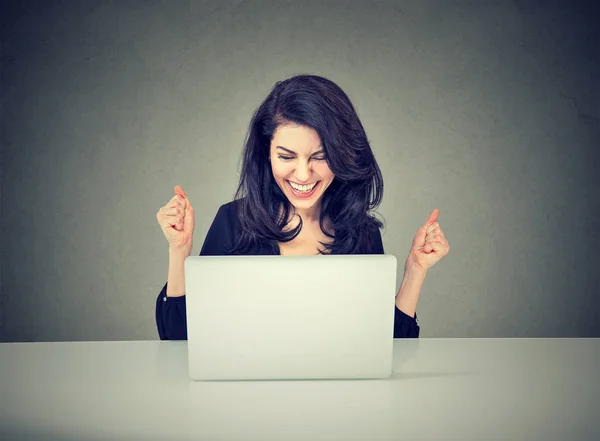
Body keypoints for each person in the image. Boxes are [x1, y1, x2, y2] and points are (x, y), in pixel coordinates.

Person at [155, 74, 450, 340]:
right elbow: (178, 340)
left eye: (319, 157)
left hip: (337, 397)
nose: (303, 174)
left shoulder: (361, 231)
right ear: (267, 155)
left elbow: (388, 346)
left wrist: (414, 270)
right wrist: (179, 252)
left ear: (343, 155)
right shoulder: (233, 222)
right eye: (286, 156)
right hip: (247, 397)